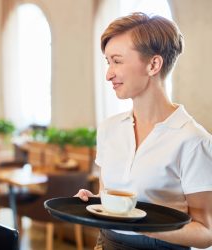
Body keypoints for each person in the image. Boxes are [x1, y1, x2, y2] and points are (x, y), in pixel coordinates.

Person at [75, 12, 212, 249]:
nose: (109, 74)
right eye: (108, 62)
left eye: (117, 61)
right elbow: (109, 197)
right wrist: (94, 202)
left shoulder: (193, 140)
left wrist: (139, 226)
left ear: (153, 64)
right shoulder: (109, 129)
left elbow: (205, 232)